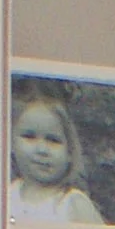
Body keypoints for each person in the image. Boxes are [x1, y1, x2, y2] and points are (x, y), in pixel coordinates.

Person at [9, 88, 104, 222]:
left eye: (53, 140)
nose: (42, 149)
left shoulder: (73, 204)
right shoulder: (3, 198)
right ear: (11, 143)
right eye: (29, 136)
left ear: (70, 152)